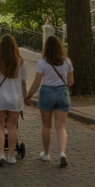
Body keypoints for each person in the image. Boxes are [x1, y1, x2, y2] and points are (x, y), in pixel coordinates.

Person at [25, 35, 74, 167]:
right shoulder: (67, 62)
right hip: (62, 93)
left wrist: (28, 96)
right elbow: (71, 82)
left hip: (47, 93)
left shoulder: (42, 62)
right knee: (61, 127)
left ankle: (46, 154)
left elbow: (36, 82)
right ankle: (62, 152)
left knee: (47, 125)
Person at [0, 34, 27, 165]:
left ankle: (1, 154)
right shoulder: (20, 62)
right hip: (16, 98)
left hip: (0, 98)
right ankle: (11, 156)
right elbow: (23, 83)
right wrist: (25, 96)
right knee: (12, 127)